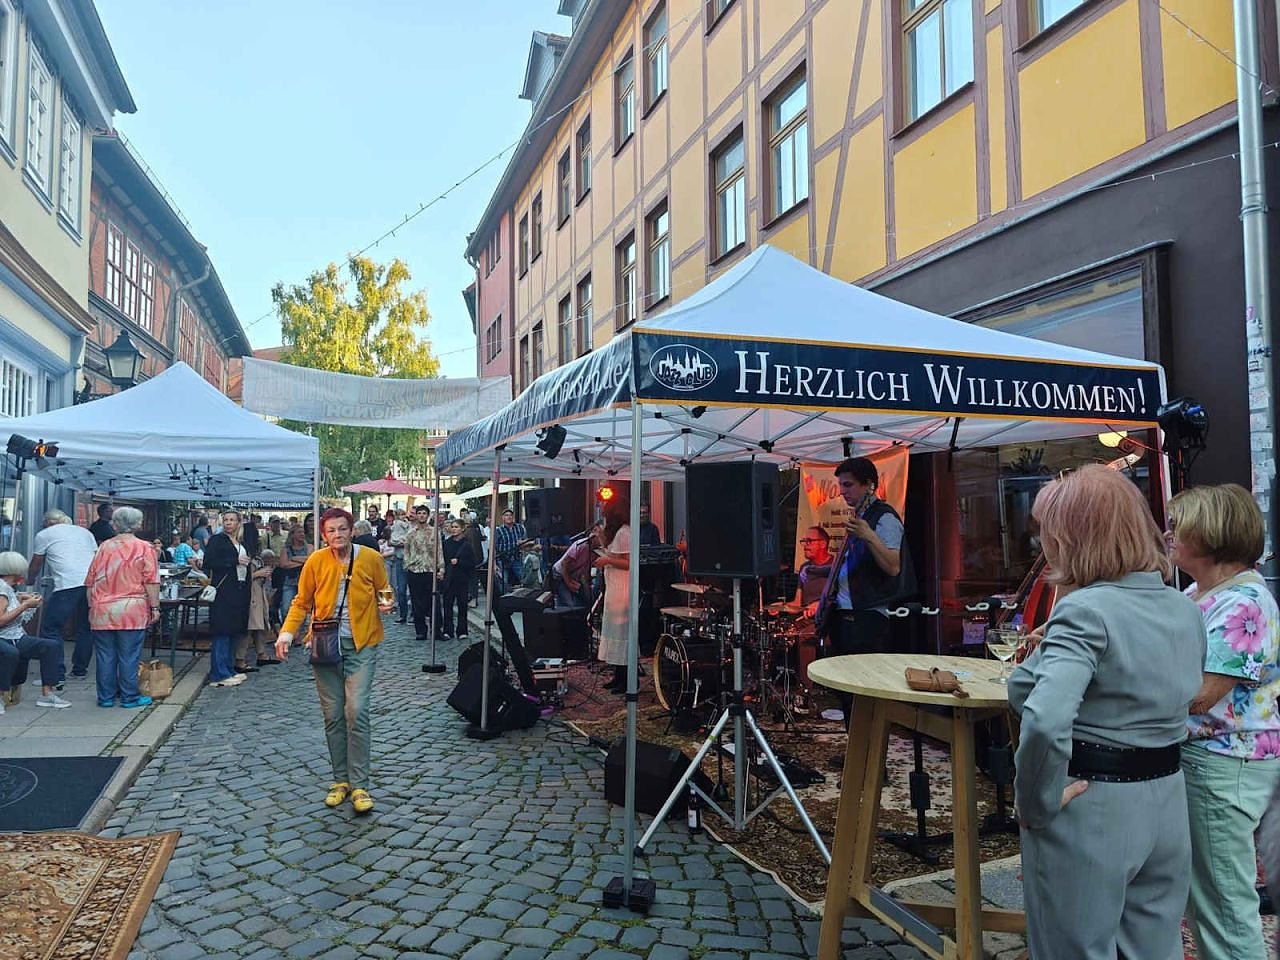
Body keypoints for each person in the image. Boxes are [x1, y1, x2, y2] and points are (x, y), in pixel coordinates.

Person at [1008, 465, 1205, 960]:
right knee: (1153, 949)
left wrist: (1035, 801)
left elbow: (1044, 718)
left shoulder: (1084, 611)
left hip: (1092, 803)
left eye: (1047, 532)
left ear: (1070, 537)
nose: (1042, 545)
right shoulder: (1184, 607)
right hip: (1167, 800)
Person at [1166, 483, 1280, 960]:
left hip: (1224, 760)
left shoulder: (1244, 602)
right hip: (1216, 757)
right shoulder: (1204, 591)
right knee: (1210, 896)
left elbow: (1201, 696)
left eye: (1177, 526)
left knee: (1224, 906)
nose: (1168, 535)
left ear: (1211, 535)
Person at [274, 508, 392, 815]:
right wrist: (287, 633)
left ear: (351, 530)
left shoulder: (370, 558)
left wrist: (386, 603)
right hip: (325, 646)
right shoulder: (316, 561)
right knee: (333, 715)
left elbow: (384, 588)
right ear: (324, 535)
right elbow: (301, 602)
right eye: (331, 531)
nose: (337, 534)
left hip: (362, 644)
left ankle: (360, 784)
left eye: (342, 529)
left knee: (357, 711)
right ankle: (341, 780)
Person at [85, 506, 160, 709]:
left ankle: (106, 697)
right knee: (129, 656)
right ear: (137, 524)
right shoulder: (144, 548)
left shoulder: (104, 547)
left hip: (102, 609)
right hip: (131, 610)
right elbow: (151, 581)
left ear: (115, 523)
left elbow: (90, 580)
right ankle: (129, 697)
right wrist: (155, 607)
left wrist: (92, 606)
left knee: (105, 655)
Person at [29, 509, 98, 682]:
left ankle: (56, 675)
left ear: (49, 522)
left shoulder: (44, 534)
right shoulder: (85, 532)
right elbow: (96, 557)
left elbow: (36, 562)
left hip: (67, 584)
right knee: (85, 628)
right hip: (91, 584)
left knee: (51, 629)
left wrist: (30, 579)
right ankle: (80, 671)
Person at [0, 551, 66, 709]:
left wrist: (20, 599)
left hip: (16, 636)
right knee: (10, 653)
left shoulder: (8, 588)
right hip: (4, 637)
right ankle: (1, 696)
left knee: (50, 646)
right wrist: (25, 606)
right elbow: (1, 620)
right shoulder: (2, 590)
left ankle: (47, 694)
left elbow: (9, 607)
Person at [204, 510, 251, 688]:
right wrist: (234, 561)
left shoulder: (240, 542)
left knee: (233, 630)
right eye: (226, 520)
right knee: (222, 630)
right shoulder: (217, 540)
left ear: (239, 523)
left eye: (232, 520)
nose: (228, 523)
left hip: (238, 590)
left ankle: (229, 669)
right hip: (223, 591)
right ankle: (219, 673)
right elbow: (209, 562)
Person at [594, 495, 631, 694]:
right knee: (614, 632)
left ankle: (627, 680)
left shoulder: (625, 532)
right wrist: (601, 539)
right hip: (614, 586)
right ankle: (618, 676)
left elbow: (628, 563)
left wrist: (607, 561)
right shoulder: (618, 533)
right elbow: (612, 553)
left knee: (622, 633)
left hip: (623, 588)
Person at [236, 549, 279, 673]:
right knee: (250, 626)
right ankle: (240, 660)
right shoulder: (243, 556)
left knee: (261, 625)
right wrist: (257, 574)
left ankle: (262, 654)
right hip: (250, 594)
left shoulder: (257, 558)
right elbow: (240, 577)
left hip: (259, 593)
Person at [404, 504, 440, 642]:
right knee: (417, 602)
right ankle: (420, 631)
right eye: (419, 513)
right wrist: (408, 564)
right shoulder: (411, 533)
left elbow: (439, 550)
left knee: (434, 601)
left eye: (424, 513)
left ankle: (436, 630)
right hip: (415, 570)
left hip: (430, 570)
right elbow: (406, 550)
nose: (421, 516)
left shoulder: (434, 532)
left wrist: (441, 567)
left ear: (428, 515)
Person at [440, 519, 475, 640]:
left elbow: (472, 563)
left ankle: (462, 630)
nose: (454, 529)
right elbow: (442, 560)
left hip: (462, 578)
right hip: (449, 578)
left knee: (462, 605)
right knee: (447, 605)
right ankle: (448, 630)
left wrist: (459, 562)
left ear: (462, 529)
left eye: (456, 527)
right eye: (452, 527)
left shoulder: (467, 545)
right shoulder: (446, 543)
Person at [552, 523, 601, 609]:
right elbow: (564, 563)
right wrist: (569, 583)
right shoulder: (581, 545)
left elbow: (586, 571)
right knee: (569, 605)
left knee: (583, 603)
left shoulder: (596, 551)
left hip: (574, 575)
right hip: (561, 573)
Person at [794, 525, 833, 617]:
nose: (805, 545)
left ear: (823, 544)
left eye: (809, 541)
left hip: (828, 620)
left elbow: (841, 600)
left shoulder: (836, 566)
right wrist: (781, 607)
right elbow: (797, 603)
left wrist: (819, 604)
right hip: (807, 619)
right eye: (804, 541)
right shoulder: (804, 567)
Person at [278, 525, 312, 623]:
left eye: (303, 532)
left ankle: (302, 629)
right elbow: (284, 564)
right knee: (286, 608)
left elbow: (311, 560)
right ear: (292, 535)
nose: (302, 534)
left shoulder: (309, 547)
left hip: (305, 583)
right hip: (290, 582)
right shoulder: (286, 549)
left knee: (305, 608)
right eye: (299, 532)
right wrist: (303, 562)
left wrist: (293, 558)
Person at [494, 509, 530, 593]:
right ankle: (505, 598)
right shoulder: (498, 530)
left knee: (525, 579)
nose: (509, 517)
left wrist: (523, 542)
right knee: (503, 583)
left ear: (513, 517)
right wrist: (494, 564)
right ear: (503, 518)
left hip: (516, 558)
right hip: (503, 560)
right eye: (506, 515)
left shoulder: (519, 528)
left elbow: (527, 542)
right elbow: (493, 548)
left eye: (510, 515)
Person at [386, 508, 411, 624]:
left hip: (410, 560)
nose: (401, 516)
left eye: (403, 514)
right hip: (397, 559)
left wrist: (401, 542)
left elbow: (409, 541)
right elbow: (391, 541)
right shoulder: (395, 526)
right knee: (397, 587)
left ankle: (413, 614)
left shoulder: (410, 526)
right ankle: (401, 613)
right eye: (399, 514)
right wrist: (401, 542)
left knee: (411, 589)